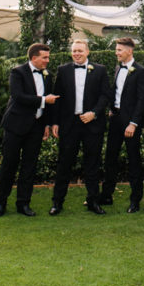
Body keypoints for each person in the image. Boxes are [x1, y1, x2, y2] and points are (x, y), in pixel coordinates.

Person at [0, 43, 59, 217]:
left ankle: (23, 203)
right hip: (15, 125)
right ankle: (0, 203)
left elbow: (49, 106)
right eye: (45, 57)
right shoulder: (18, 72)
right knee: (9, 165)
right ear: (34, 57)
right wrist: (44, 100)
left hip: (36, 127)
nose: (47, 60)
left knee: (29, 167)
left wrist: (46, 124)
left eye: (48, 57)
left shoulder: (47, 75)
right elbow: (18, 96)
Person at [49, 39, 111, 216]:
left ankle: (93, 201)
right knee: (64, 164)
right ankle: (57, 202)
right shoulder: (63, 70)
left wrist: (94, 113)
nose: (77, 54)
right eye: (74, 51)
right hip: (70, 124)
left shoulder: (100, 70)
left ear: (87, 52)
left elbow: (105, 95)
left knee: (92, 164)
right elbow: (57, 98)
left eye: (80, 51)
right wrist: (55, 122)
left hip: (92, 124)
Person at [99, 37, 144, 213]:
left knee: (133, 159)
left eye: (119, 50)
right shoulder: (117, 68)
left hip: (130, 123)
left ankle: (135, 200)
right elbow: (116, 92)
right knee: (110, 158)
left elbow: (142, 100)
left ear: (129, 51)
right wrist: (111, 109)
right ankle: (107, 195)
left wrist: (133, 123)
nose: (116, 53)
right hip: (116, 119)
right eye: (116, 50)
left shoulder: (141, 71)